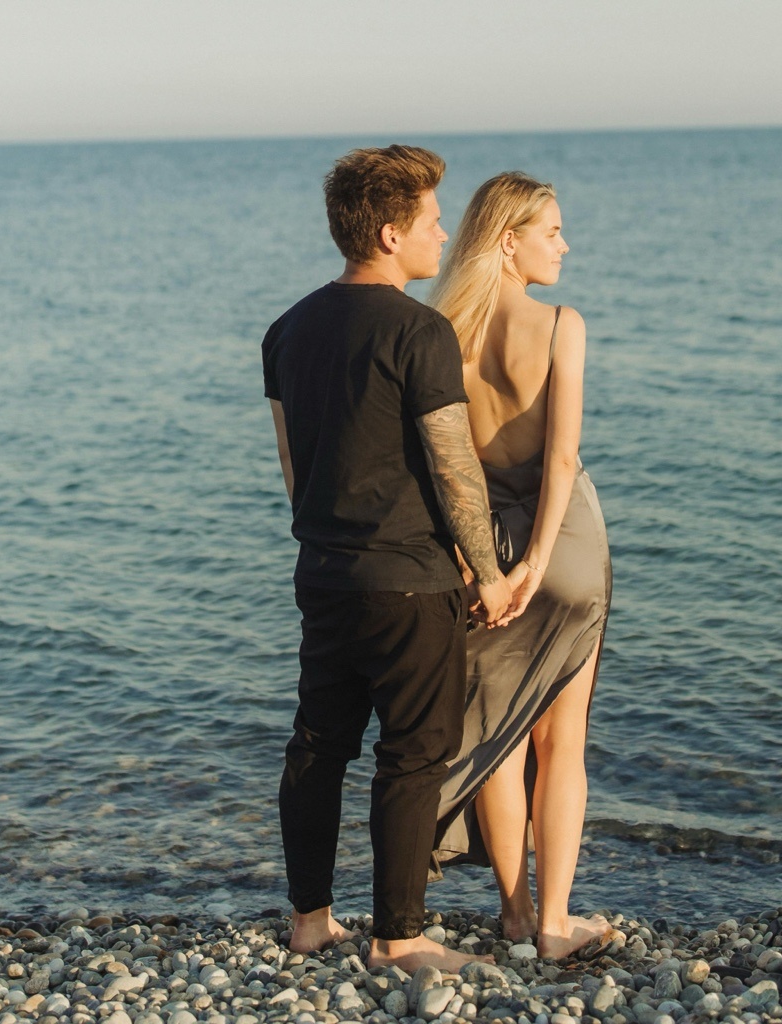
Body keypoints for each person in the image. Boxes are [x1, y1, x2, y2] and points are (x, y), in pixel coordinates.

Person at [262, 145, 515, 972]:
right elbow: (455, 470)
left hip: (324, 573)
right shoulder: (419, 330)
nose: (444, 234)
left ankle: (310, 922)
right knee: (412, 755)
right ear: (388, 229)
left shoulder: (287, 329)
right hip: (409, 579)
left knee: (317, 744)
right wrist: (491, 570)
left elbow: (293, 468)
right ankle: (399, 938)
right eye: (433, 220)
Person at [427, 172, 617, 960]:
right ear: (510, 239)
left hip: (484, 552)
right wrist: (542, 560)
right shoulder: (560, 325)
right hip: (563, 545)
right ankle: (553, 926)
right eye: (552, 232)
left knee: (500, 735)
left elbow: (446, 466)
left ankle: (511, 912)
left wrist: (488, 566)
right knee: (561, 739)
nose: (564, 245)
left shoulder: (439, 333)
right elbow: (562, 457)